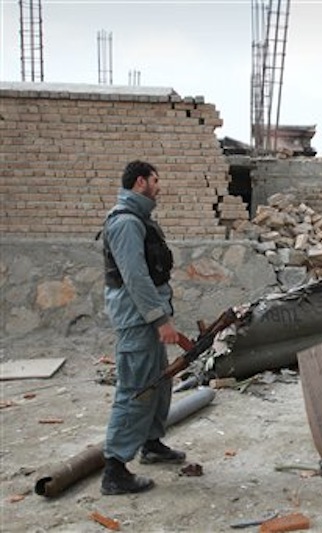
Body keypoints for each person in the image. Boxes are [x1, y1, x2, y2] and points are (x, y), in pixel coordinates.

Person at [100, 160, 186, 496]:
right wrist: (159, 318)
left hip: (145, 319)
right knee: (136, 390)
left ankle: (151, 444)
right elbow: (135, 277)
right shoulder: (125, 223)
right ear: (140, 183)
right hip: (138, 321)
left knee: (158, 384)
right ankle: (115, 471)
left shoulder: (138, 220)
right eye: (155, 180)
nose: (159, 186)